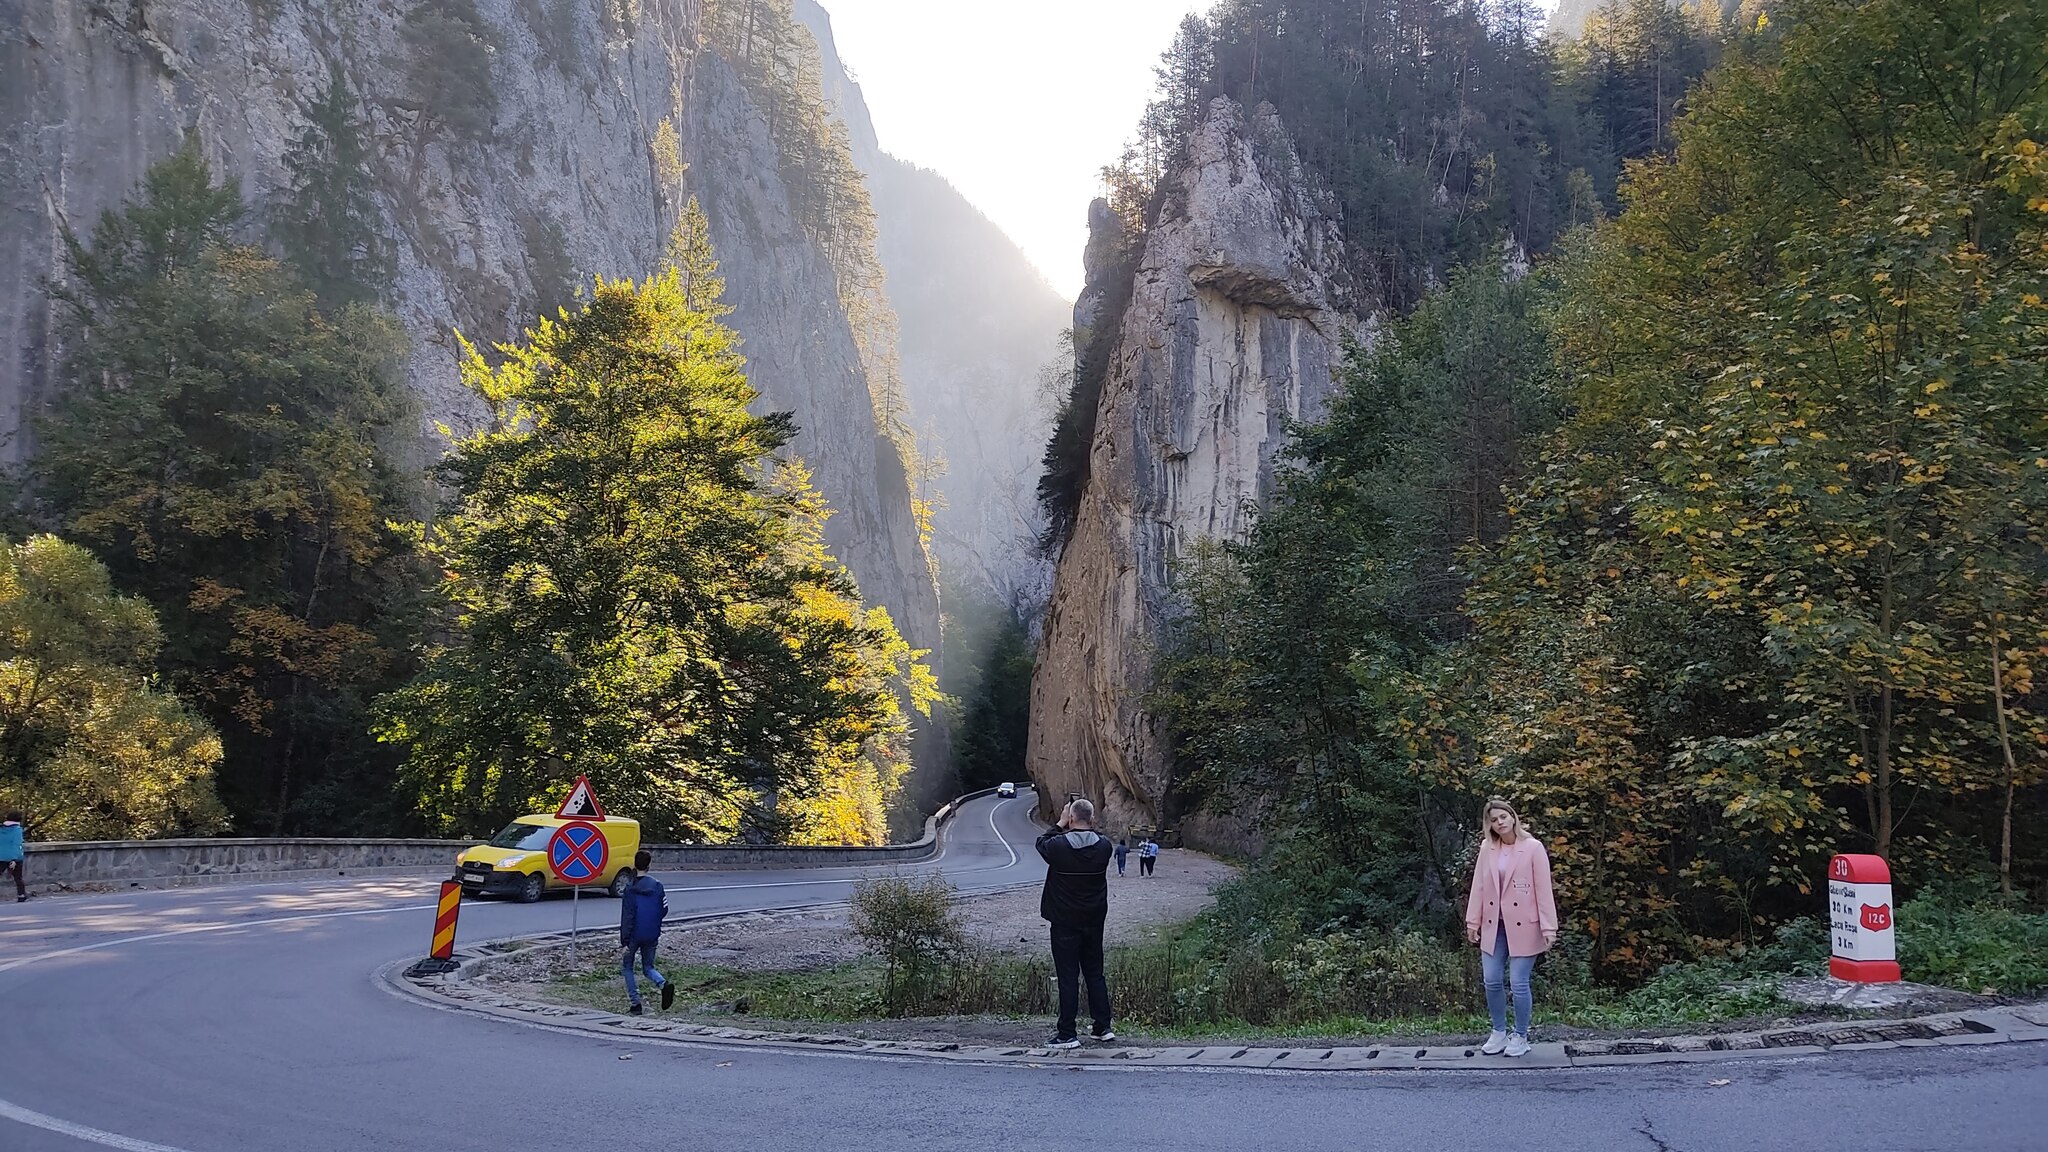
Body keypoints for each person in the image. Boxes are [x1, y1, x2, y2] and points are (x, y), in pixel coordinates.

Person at [1463, 798, 1558, 1057]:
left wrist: (1549, 927)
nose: (1499, 823)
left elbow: (1543, 889)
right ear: (1489, 825)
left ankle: (1521, 1035)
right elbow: (1479, 886)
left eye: (1503, 817)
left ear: (1512, 817)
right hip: (1495, 925)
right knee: (1491, 979)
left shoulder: (1532, 847)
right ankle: (1498, 1031)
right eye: (1493, 820)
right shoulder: (1487, 848)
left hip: (1525, 924)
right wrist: (1473, 921)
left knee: (1518, 982)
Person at [1037, 798, 1115, 1048]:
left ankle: (1067, 1033)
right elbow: (1095, 834)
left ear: (1071, 819)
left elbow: (1041, 843)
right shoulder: (1105, 847)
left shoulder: (1058, 847)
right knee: (1095, 973)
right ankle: (1102, 1027)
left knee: (1068, 976)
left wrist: (1060, 823)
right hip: (1093, 919)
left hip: (1064, 920)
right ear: (1092, 820)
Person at [618, 850, 673, 1015]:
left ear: (635, 865)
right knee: (648, 967)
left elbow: (627, 916)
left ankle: (636, 1004)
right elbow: (664, 909)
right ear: (649, 865)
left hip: (633, 935)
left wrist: (624, 941)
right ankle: (662, 983)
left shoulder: (630, 888)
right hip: (652, 933)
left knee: (627, 967)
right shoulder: (657, 886)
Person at [0, 813, 23, 902]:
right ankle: (21, 895)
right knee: (18, 878)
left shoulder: (1, 828)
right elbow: (16, 844)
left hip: (1, 856)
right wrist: (13, 859)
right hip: (14, 857)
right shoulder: (17, 830)